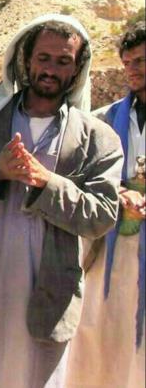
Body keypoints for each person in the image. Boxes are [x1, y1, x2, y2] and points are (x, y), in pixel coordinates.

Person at [0, 14, 123, 388]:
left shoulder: (99, 139)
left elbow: (102, 215)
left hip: (48, 294)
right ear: (26, 60)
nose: (51, 70)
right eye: (43, 58)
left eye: (63, 61)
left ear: (77, 69)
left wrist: (47, 183)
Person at [65, 21, 146, 388]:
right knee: (99, 337)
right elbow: (84, 177)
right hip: (110, 247)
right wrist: (119, 193)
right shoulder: (105, 119)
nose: (132, 69)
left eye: (140, 61)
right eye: (127, 62)